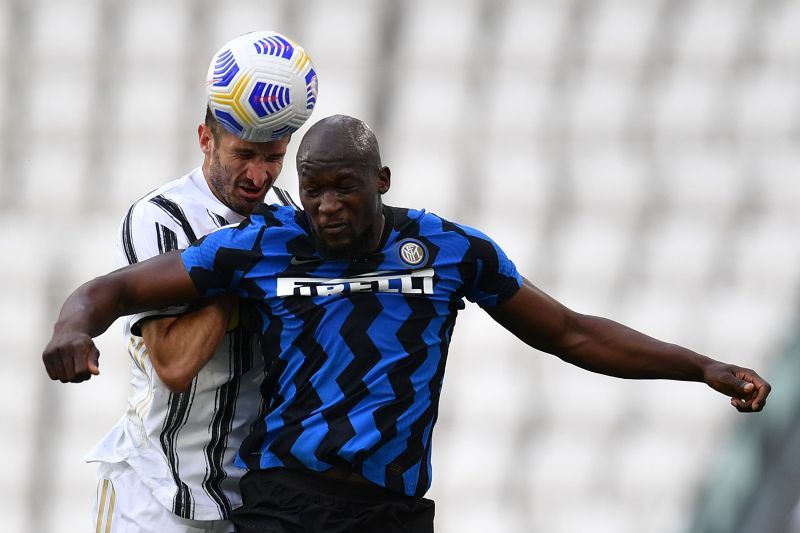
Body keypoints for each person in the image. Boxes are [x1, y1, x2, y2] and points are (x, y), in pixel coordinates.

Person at [44, 115, 772, 533]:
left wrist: (701, 367)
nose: (326, 204)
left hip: (390, 511)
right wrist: (75, 326)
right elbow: (117, 286)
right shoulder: (265, 245)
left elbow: (570, 331)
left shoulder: (448, 249)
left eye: (343, 187)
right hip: (282, 501)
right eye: (313, 189)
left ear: (380, 183)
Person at [82, 32, 313, 532]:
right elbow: (174, 363)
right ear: (206, 139)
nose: (259, 175)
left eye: (273, 157)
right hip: (153, 492)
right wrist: (241, 265)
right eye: (243, 154)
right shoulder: (159, 218)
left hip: (248, 497)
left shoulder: (288, 218)